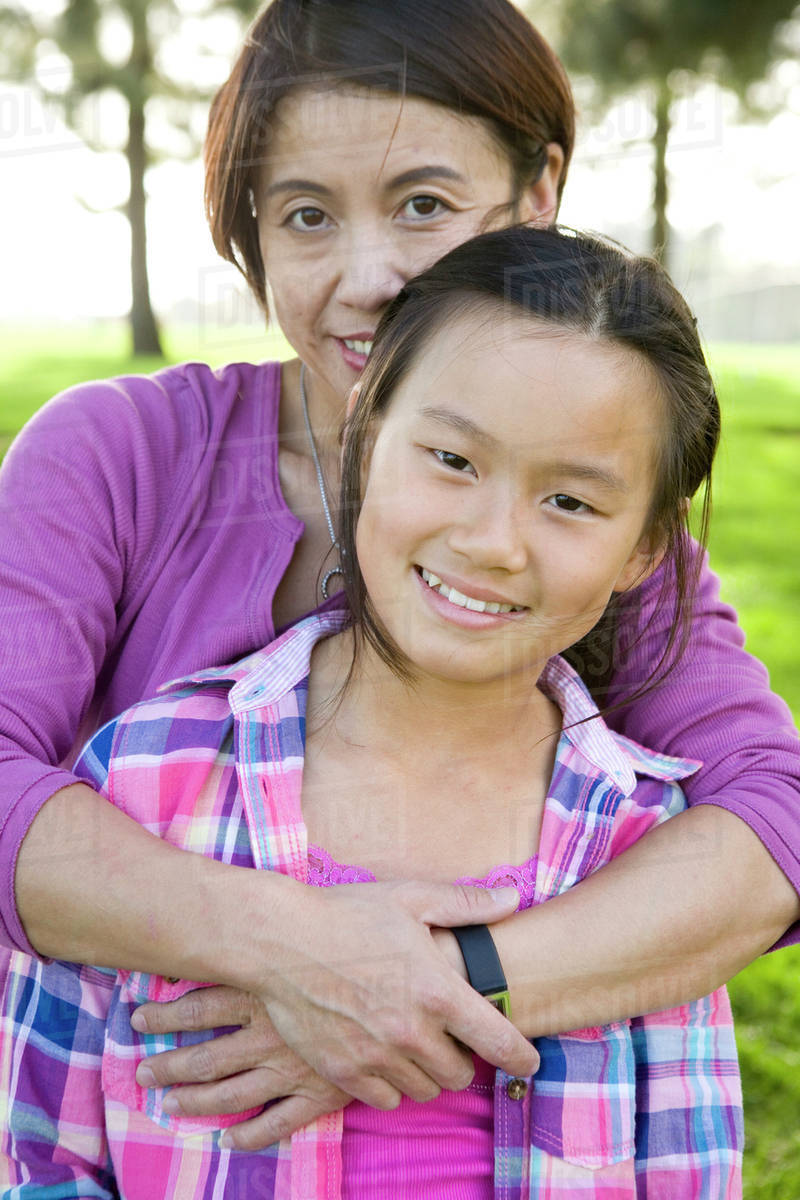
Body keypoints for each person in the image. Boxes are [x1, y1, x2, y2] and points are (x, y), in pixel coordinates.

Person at [1, 0, 797, 1152]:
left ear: (534, 196)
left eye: (422, 204)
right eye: (306, 217)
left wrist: (436, 983)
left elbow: (767, 822)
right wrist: (293, 950)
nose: (367, 276)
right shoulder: (117, 455)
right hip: (158, 1124)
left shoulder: (580, 532)